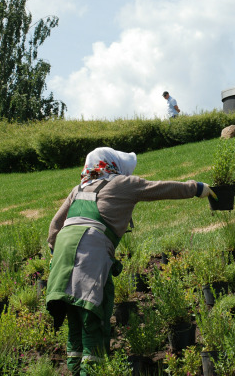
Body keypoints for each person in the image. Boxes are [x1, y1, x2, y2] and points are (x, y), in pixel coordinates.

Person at [45, 147, 215, 375]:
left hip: (62, 259)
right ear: (113, 166)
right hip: (90, 256)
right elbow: (160, 188)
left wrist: (55, 254)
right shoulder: (122, 184)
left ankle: (75, 371)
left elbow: (55, 226)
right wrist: (197, 188)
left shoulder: (79, 189)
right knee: (93, 320)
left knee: (75, 323)